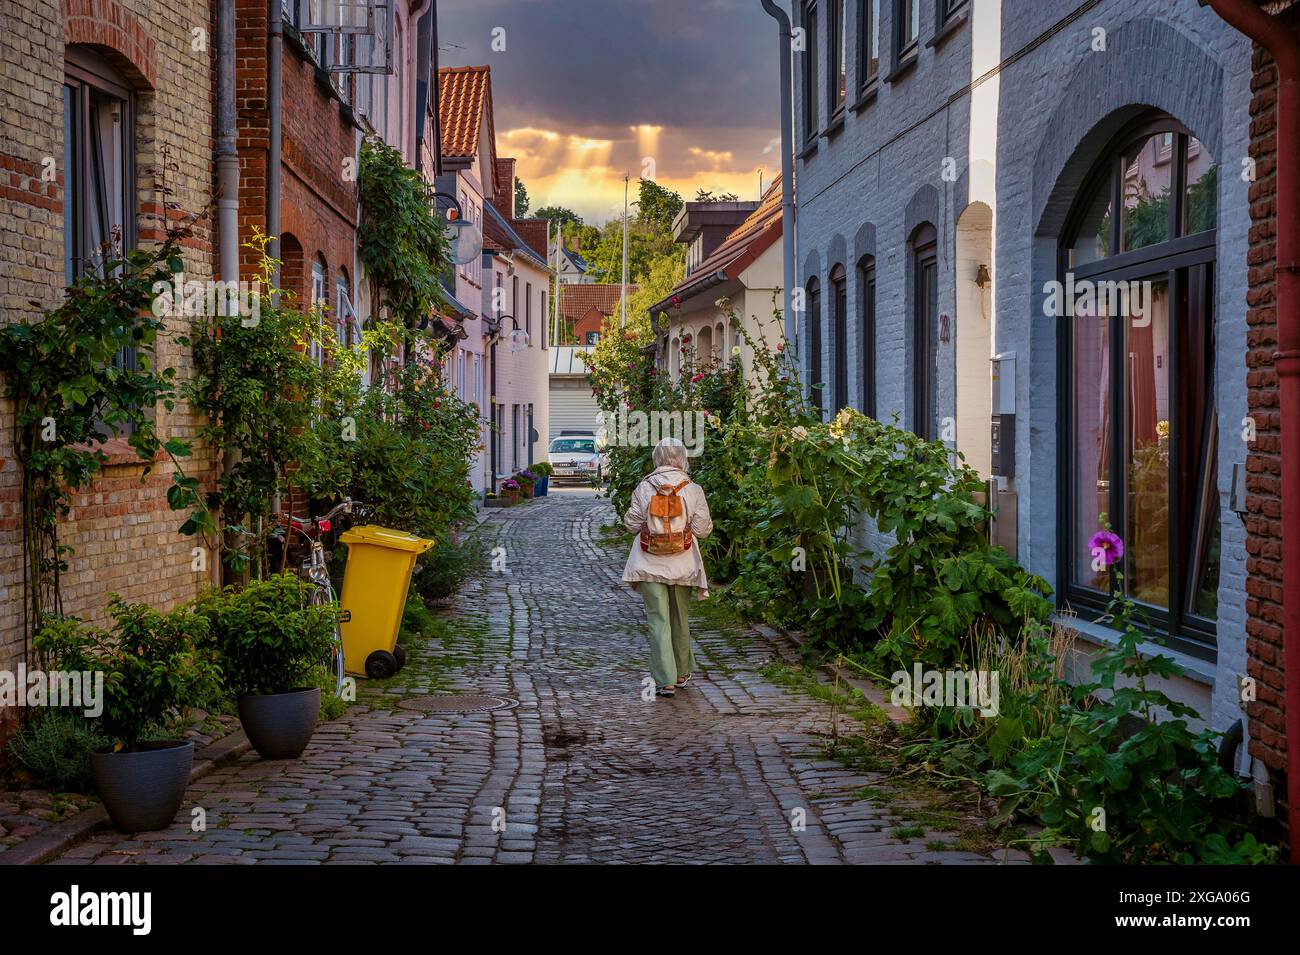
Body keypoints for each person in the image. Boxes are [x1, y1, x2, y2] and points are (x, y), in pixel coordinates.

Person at [621, 437, 714, 698]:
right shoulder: (693, 489)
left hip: (649, 562)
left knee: (658, 620)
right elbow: (703, 530)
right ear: (682, 458)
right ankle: (683, 672)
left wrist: (645, 523)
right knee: (680, 618)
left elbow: (630, 523)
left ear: (657, 458)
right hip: (683, 564)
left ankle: (665, 680)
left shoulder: (644, 487)